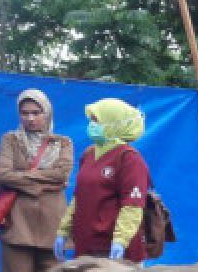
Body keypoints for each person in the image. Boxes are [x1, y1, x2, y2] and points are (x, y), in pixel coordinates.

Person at [0, 89, 73, 272]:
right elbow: (3, 175)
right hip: (18, 226)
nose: (30, 118)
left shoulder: (63, 142)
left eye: (36, 112)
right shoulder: (10, 140)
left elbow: (62, 175)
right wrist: (47, 182)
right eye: (25, 113)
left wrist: (21, 178)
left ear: (47, 112)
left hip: (53, 225)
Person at [55, 98, 150, 263]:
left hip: (115, 250)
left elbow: (132, 206)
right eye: (91, 120)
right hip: (86, 245)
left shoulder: (129, 158)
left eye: (97, 121)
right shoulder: (89, 154)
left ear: (114, 123)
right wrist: (63, 231)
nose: (92, 125)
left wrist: (121, 241)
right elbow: (78, 198)